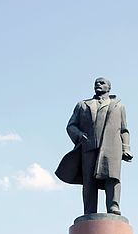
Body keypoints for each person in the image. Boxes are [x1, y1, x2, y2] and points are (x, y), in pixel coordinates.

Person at [55, 77, 133, 215]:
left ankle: (113, 206)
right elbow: (71, 126)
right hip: (88, 147)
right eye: (96, 83)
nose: (98, 84)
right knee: (89, 181)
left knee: (112, 178)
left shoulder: (118, 105)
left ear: (109, 88)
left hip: (111, 147)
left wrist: (126, 148)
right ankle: (89, 211)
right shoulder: (83, 105)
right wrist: (80, 136)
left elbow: (124, 129)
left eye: (102, 83)